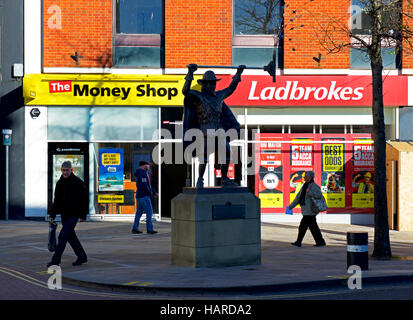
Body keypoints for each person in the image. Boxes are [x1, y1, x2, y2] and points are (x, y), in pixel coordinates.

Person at [182, 64, 245, 188]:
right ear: (203, 84)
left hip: (219, 129)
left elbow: (231, 89)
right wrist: (190, 73)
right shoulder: (198, 95)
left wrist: (238, 73)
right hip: (205, 129)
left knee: (227, 152)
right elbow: (185, 91)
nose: (210, 86)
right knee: (204, 157)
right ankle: (200, 179)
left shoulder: (219, 96)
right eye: (208, 83)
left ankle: (225, 179)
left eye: (213, 83)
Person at [47, 161, 88, 267]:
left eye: (67, 170)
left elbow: (84, 200)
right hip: (65, 214)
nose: (65, 172)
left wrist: (83, 215)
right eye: (63, 170)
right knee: (71, 237)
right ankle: (82, 257)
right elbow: (57, 201)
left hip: (74, 215)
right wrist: (52, 215)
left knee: (62, 237)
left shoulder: (78, 182)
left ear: (71, 170)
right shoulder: (59, 183)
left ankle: (55, 261)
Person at [288, 171, 327, 247]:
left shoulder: (314, 186)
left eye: (306, 175)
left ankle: (299, 242)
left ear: (310, 177)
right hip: (306, 210)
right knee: (313, 227)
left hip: (310, 210)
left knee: (303, 226)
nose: (304, 177)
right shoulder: (304, 186)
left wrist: (310, 192)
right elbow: (298, 198)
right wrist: (291, 206)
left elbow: (319, 195)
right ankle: (320, 242)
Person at [132, 160, 158, 234]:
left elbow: (148, 185)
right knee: (149, 212)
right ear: (143, 165)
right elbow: (145, 186)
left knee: (139, 212)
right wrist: (151, 193)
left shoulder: (142, 173)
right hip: (144, 196)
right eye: (148, 165)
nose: (149, 167)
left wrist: (153, 192)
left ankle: (135, 228)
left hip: (140, 196)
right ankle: (149, 229)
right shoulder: (142, 174)